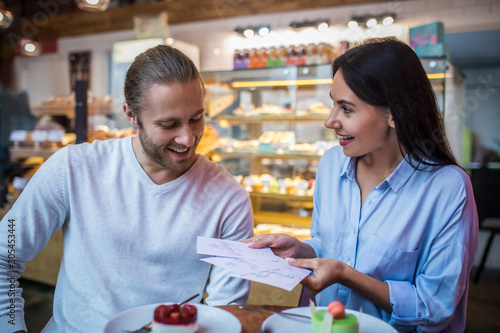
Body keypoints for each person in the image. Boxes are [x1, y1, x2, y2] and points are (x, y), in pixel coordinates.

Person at [0, 45, 253, 333]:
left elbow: (226, 312)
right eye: (169, 124)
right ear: (131, 115)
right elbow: (4, 253)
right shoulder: (72, 168)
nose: (187, 137)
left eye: (196, 118)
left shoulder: (229, 198)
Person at [244, 38, 478, 332]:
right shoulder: (331, 164)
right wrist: (301, 249)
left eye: (347, 109)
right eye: (333, 103)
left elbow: (435, 308)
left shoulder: (447, 188)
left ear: (394, 111)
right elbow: (329, 245)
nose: (331, 121)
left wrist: (345, 274)